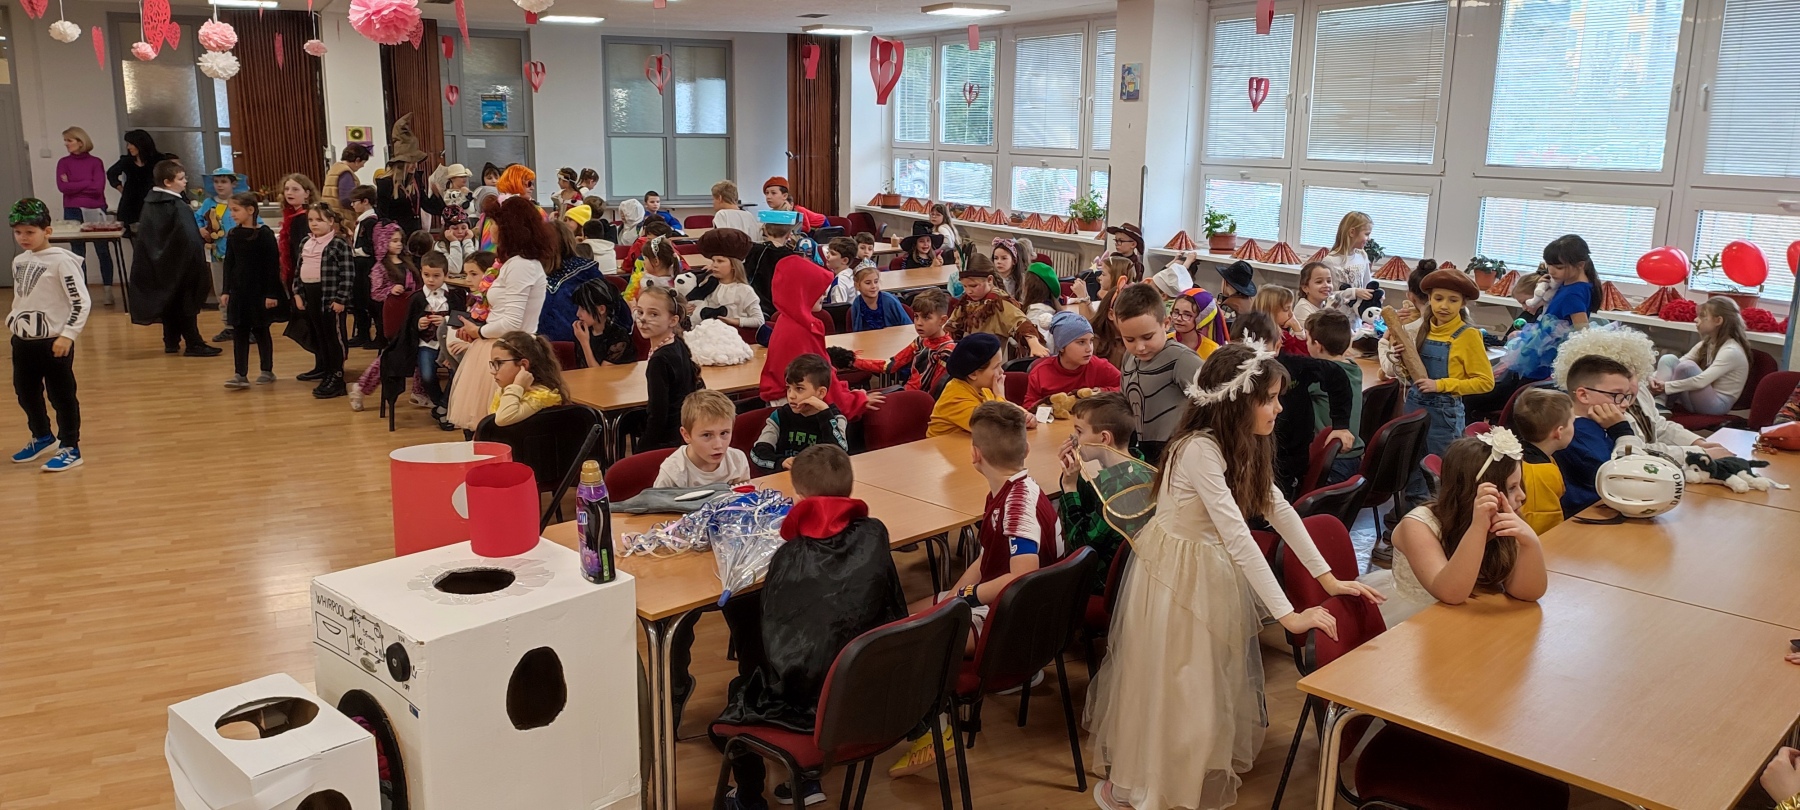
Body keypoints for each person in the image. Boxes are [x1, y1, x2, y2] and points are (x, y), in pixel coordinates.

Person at [1088, 342, 1381, 810]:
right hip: (1176, 575)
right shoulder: (1197, 449)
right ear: (1237, 401)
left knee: (1203, 682)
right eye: (1270, 398)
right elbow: (1239, 537)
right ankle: (1153, 787)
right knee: (1175, 681)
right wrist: (1288, 615)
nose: (1279, 408)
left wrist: (1327, 579)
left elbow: (1278, 508)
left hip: (1207, 566)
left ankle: (1184, 778)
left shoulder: (1245, 440)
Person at [712, 444, 907, 809]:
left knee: (744, 683)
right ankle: (805, 779)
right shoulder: (875, 534)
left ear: (800, 498)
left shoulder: (792, 556)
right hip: (873, 686)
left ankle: (749, 797)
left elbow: (779, 638)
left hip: (814, 706)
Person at [892, 399, 1059, 778]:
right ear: (1026, 449)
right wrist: (953, 595)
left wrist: (964, 599)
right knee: (905, 614)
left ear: (975, 454)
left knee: (909, 636)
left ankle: (936, 728)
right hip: (1025, 612)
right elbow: (986, 559)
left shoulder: (1016, 506)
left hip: (1016, 624)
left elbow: (1020, 576)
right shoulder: (1015, 488)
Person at [1362, 431, 1548, 628]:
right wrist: (1478, 529)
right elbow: (1450, 593)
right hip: (1417, 620)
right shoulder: (1418, 526)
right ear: (1475, 492)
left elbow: (1527, 593)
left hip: (1469, 616)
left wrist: (1530, 543)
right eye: (1511, 488)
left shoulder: (1503, 516)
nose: (1522, 496)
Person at [445, 196, 552, 430]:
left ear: (509, 228)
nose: (489, 228)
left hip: (510, 351)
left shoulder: (522, 265)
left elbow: (512, 322)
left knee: (496, 426)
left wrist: (479, 331)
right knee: (482, 426)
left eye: (494, 223)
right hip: (497, 346)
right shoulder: (511, 263)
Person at [1235, 310, 1356, 499]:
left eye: (1259, 349)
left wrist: (1341, 425)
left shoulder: (1293, 367)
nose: (1251, 357)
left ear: (1276, 347)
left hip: (1286, 464)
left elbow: (1336, 375)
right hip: (1245, 459)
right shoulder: (1230, 373)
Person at [8, 198, 91, 472]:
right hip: (23, 342)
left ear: (47, 231)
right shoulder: (19, 261)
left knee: (61, 395)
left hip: (54, 342)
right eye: (18, 232)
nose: (23, 237)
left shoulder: (62, 262)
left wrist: (68, 334)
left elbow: (80, 301)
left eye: (30, 232)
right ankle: (43, 436)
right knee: (26, 392)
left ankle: (70, 446)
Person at [1404, 268, 1494, 502]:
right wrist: (1402, 360)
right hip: (1414, 408)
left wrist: (1441, 385)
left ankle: (1440, 516)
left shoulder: (1468, 335)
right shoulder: (1423, 328)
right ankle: (1413, 513)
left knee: (1440, 474)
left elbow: (1485, 382)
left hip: (1443, 415)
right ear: (1429, 299)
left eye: (1453, 300)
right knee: (1411, 467)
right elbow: (1415, 375)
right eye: (1438, 298)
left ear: (1463, 303)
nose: (1444, 306)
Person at [759, 255, 879, 417]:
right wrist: (855, 400)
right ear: (802, 292)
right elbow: (818, 380)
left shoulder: (789, 321)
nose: (823, 294)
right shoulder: (799, 331)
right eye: (816, 289)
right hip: (801, 410)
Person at [1493, 234, 1602, 411]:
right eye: (1549, 265)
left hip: (1548, 354)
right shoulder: (1569, 283)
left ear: (1580, 265)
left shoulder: (1574, 293)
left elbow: (1582, 331)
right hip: (1543, 347)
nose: (1551, 271)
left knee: (1523, 399)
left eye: (1558, 267)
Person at [128, 160, 221, 358]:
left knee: (170, 301)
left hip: (161, 263)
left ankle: (171, 340)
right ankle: (193, 343)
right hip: (182, 264)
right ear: (167, 182)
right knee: (186, 303)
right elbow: (189, 238)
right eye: (181, 178)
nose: (185, 181)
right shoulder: (176, 205)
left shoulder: (151, 203)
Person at [1056, 392, 1141, 594]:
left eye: (1079, 432)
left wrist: (1069, 488)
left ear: (1104, 438)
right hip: (1130, 577)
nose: (1073, 440)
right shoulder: (1138, 465)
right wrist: (1073, 477)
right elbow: (1091, 504)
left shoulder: (1115, 492)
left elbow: (1081, 546)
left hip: (1102, 585)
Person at [1114, 283, 1204, 463]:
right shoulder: (1129, 357)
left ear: (1166, 324)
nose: (1140, 347)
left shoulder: (1182, 359)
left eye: (1147, 337)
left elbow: (1215, 403)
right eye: (1129, 339)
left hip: (1173, 455)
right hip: (1137, 451)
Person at [383, 250, 466, 430]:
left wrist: (445, 320)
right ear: (421, 272)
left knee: (457, 372)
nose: (431, 280)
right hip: (426, 344)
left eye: (436, 276)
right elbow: (407, 325)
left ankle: (443, 408)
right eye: (426, 275)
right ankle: (441, 405)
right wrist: (418, 324)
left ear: (445, 275)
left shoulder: (454, 296)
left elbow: (461, 321)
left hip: (448, 345)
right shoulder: (417, 298)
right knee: (427, 376)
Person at [349, 223, 419, 411]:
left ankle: (419, 392)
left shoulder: (408, 262)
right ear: (383, 242)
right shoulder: (379, 268)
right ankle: (361, 387)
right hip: (395, 315)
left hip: (413, 314)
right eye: (393, 240)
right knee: (390, 357)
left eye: (400, 240)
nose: (398, 244)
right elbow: (375, 293)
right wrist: (390, 289)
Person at [291, 203, 355, 398]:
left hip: (330, 297)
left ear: (331, 221)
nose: (314, 224)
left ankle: (337, 376)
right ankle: (326, 371)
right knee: (319, 335)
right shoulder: (306, 242)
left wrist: (340, 299)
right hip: (311, 295)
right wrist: (297, 293)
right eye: (311, 220)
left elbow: (348, 274)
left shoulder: (338, 244)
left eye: (319, 220)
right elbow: (299, 269)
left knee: (333, 337)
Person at [219, 193, 283, 389]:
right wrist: (226, 290)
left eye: (235, 210)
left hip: (259, 292)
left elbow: (272, 265)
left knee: (261, 330)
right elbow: (229, 263)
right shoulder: (233, 234)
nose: (232, 214)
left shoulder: (264, 234)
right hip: (239, 292)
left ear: (250, 210)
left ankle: (267, 370)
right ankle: (240, 374)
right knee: (239, 332)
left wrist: (271, 293)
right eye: (231, 210)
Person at [845, 287, 954, 393]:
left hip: (921, 400)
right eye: (916, 316)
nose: (919, 323)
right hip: (908, 391)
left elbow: (935, 392)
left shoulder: (946, 351)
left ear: (942, 320)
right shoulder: (920, 341)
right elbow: (890, 365)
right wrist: (853, 360)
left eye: (926, 317)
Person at [1652, 297, 1750, 415]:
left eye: (1702, 316)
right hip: (1696, 400)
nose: (1696, 319)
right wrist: (1652, 379)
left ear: (1718, 321)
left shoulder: (1731, 351)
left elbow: (1701, 381)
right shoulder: (1707, 343)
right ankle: (1659, 403)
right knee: (1668, 359)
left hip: (1717, 406)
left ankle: (1661, 402)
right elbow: (1678, 363)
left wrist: (1666, 386)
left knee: (1687, 367)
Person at [636, 284, 705, 450]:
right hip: (682, 432)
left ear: (673, 320)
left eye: (653, 314)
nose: (643, 319)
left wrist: (642, 449)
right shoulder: (677, 343)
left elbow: (658, 414)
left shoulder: (659, 360)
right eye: (640, 312)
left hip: (668, 441)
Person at [752, 354, 850, 472]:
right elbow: (757, 453)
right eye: (788, 388)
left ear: (821, 393)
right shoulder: (780, 416)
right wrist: (780, 462)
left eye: (799, 389)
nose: (791, 396)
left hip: (820, 478)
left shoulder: (834, 418)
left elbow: (840, 456)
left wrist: (825, 415)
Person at [1304, 310, 1365, 486]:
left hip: (1331, 460)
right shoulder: (1354, 368)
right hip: (1353, 457)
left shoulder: (1319, 376)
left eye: (1307, 339)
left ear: (1317, 346)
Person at [56, 127, 115, 305]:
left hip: (95, 208)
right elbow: (63, 187)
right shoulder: (63, 162)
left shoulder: (96, 162)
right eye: (65, 140)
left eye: (69, 140)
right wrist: (86, 182)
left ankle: (108, 290)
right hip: (72, 209)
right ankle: (82, 293)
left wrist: (74, 185)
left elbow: (97, 188)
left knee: (102, 250)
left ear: (80, 142)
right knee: (77, 252)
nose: (66, 144)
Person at [948, 254, 1047, 357]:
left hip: (990, 361)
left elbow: (1021, 323)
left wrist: (1034, 344)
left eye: (973, 286)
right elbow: (951, 326)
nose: (968, 291)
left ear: (990, 280)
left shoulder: (999, 302)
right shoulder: (967, 301)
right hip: (967, 358)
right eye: (964, 286)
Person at [1509, 387, 1576, 535]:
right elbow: (1544, 520)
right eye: (1572, 422)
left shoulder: (1520, 457)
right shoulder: (1542, 473)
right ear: (1559, 432)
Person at [1023, 310, 1122, 410]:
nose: (1089, 349)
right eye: (1081, 342)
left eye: (1091, 341)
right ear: (1062, 347)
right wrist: (1047, 404)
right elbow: (1028, 408)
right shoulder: (1040, 373)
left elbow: (1125, 388)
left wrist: (1101, 392)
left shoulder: (1099, 366)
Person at [654, 389, 751, 487]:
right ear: (686, 435)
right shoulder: (672, 474)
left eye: (724, 433)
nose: (718, 445)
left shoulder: (737, 460)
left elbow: (745, 493)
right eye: (707, 435)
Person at [536, 225, 606, 343]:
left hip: (580, 343)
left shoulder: (587, 271)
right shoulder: (587, 270)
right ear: (570, 241)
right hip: (580, 340)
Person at [927, 332, 1005, 437]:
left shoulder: (983, 389)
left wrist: (1025, 415)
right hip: (940, 447)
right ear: (973, 374)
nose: (1001, 371)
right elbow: (997, 428)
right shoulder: (955, 398)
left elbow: (1009, 414)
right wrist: (1000, 396)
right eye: (996, 367)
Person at [196, 168, 242, 342]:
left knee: (241, 289)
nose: (219, 185)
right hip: (218, 254)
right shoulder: (208, 203)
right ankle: (228, 326)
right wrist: (201, 229)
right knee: (221, 289)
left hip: (240, 255)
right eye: (216, 182)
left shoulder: (240, 202)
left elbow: (255, 222)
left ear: (233, 184)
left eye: (224, 182)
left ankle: (246, 325)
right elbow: (197, 219)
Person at [488, 331, 567, 427]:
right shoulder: (507, 390)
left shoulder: (539, 395)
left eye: (499, 363)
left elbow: (503, 419)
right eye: (493, 364)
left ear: (523, 365)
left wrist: (517, 386)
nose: (492, 371)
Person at [690, 229, 764, 330]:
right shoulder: (709, 284)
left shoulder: (744, 290)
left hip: (732, 334)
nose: (714, 265)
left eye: (720, 261)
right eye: (713, 261)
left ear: (733, 265)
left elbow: (759, 320)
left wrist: (733, 321)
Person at [106, 129, 169, 233]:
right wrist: (120, 188)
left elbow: (168, 178)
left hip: (153, 201)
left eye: (131, 144)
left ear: (140, 144)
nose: (128, 147)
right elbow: (111, 173)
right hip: (130, 203)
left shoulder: (159, 160)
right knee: (132, 234)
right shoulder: (126, 160)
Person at [744, 211, 803, 321]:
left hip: (757, 304)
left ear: (765, 230)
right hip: (781, 308)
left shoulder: (755, 250)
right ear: (789, 234)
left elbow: (746, 275)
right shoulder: (792, 257)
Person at [1320, 211, 1375, 323]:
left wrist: (1376, 294)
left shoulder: (1362, 255)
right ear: (1352, 232)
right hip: (1337, 320)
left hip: (1358, 320)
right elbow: (1328, 296)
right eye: (1366, 234)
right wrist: (1354, 292)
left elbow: (1367, 285)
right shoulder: (1330, 261)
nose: (1369, 239)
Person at [343, 186, 380, 349]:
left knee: (369, 302)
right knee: (358, 301)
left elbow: (371, 248)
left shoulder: (371, 221)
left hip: (366, 266)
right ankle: (362, 334)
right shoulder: (363, 220)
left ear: (365, 201)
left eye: (354, 201)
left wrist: (353, 250)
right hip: (359, 265)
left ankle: (377, 336)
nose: (352, 205)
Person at [570, 279, 635, 369]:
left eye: (583, 308)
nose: (578, 314)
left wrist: (584, 343)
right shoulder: (584, 332)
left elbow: (600, 374)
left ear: (601, 309)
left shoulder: (619, 337)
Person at [275, 173, 319, 290]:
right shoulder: (297, 215)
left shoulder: (303, 218)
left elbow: (300, 251)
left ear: (307, 194)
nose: (289, 193)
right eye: (286, 189)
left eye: (295, 189)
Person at [1089, 256, 1134, 366]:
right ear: (1111, 314)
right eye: (1127, 316)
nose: (1099, 278)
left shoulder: (1131, 341)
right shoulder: (1095, 342)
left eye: (1103, 274)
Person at [1083, 223, 1144, 299]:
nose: (1117, 244)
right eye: (1116, 240)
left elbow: (1131, 288)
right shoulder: (1114, 256)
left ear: (1133, 244)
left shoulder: (1136, 265)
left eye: (1120, 241)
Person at [847, 265, 911, 332]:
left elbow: (908, 326)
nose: (873, 286)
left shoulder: (890, 301)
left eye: (876, 282)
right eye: (868, 283)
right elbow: (856, 331)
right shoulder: (857, 304)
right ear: (857, 285)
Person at [1169, 287, 1226, 359]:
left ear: (1201, 318)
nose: (1179, 318)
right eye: (1176, 312)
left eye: (1187, 315)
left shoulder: (1212, 350)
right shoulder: (1163, 342)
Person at [1252, 285, 1308, 355]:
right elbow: (1303, 355)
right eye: (1286, 309)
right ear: (1271, 311)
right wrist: (1297, 328)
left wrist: (1296, 325)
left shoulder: (1283, 333)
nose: (1291, 314)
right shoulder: (1279, 337)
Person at [624, 236, 681, 304]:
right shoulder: (639, 279)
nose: (643, 262)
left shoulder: (676, 284)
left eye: (645, 258)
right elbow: (627, 300)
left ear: (656, 261)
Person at [761, 176, 826, 231]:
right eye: (767, 193)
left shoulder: (798, 211)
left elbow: (806, 228)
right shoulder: (771, 214)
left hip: (821, 224)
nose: (768, 197)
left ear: (784, 196)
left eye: (773, 193)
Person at [321, 144, 371, 214]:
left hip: (331, 213)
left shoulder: (334, 169)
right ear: (357, 160)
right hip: (342, 216)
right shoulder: (345, 173)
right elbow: (346, 199)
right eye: (363, 163)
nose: (363, 166)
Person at [439, 207, 478, 276]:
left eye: (464, 228)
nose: (460, 231)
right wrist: (454, 242)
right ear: (447, 230)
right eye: (455, 228)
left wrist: (467, 241)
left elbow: (473, 267)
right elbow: (454, 269)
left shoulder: (473, 241)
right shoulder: (440, 245)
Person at [1293, 260, 1331, 333]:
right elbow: (1318, 334)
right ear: (1305, 288)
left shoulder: (1326, 304)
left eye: (1329, 281)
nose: (1326, 285)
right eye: (1319, 282)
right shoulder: (1302, 307)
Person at [822, 237, 860, 305]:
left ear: (845, 260)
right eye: (828, 252)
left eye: (832, 254)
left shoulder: (839, 283)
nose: (827, 256)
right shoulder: (851, 274)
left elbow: (838, 308)